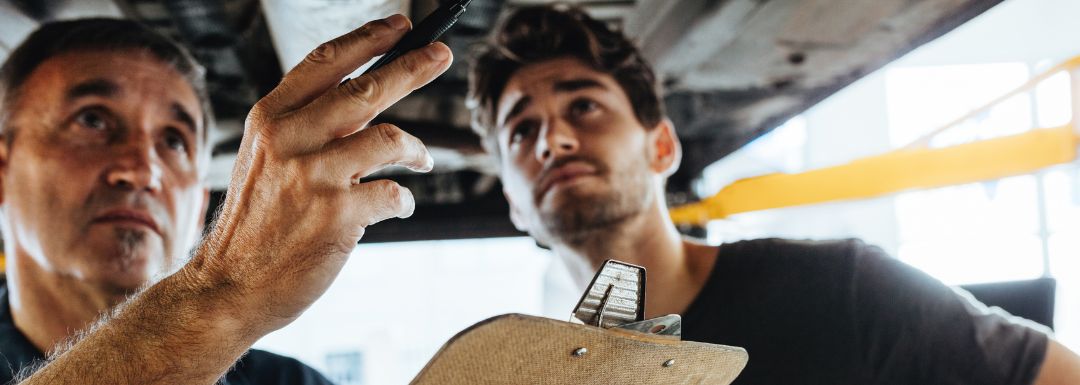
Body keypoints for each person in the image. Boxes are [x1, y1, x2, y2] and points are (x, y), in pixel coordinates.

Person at [466, 5, 1080, 385]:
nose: (555, 140)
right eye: (522, 130)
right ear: (516, 206)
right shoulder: (543, 372)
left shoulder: (843, 288)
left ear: (662, 148)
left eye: (584, 106)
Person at [2, 12, 451, 385]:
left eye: (175, 142)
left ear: (200, 204)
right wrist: (224, 290)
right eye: (93, 121)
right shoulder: (226, 304)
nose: (142, 171)